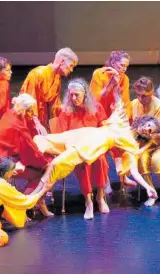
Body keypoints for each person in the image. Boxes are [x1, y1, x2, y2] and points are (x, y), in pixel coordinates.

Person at [31, 105, 159, 201]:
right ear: (144, 121)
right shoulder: (122, 121)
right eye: (148, 125)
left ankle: (33, 197)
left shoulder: (131, 144)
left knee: (57, 163)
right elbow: (116, 96)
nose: (146, 129)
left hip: (92, 145)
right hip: (85, 133)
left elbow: (134, 171)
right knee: (45, 139)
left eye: (149, 131)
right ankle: (26, 165)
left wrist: (147, 187)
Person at [0, 94, 54, 217]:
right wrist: (44, 163)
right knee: (43, 172)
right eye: (29, 111)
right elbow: (29, 150)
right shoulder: (17, 126)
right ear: (23, 110)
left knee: (43, 163)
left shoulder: (10, 113)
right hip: (3, 161)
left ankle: (37, 201)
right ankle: (23, 206)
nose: (32, 113)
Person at [57, 78, 110, 219]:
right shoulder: (66, 112)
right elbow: (63, 135)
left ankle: (100, 196)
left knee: (101, 161)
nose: (73, 98)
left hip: (95, 148)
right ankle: (88, 201)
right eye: (71, 95)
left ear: (85, 94)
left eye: (77, 95)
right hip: (77, 150)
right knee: (84, 165)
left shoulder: (96, 107)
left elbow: (104, 128)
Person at [130, 76, 160, 206]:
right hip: (143, 143)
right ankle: (152, 192)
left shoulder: (158, 105)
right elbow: (132, 128)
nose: (140, 99)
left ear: (152, 93)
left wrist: (141, 137)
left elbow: (157, 134)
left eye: (144, 96)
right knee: (142, 160)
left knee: (157, 160)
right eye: (138, 95)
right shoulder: (133, 104)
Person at [20, 47, 79, 133]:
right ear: (62, 61)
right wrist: (36, 123)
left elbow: (54, 104)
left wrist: (66, 109)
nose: (71, 70)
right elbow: (26, 102)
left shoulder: (57, 77)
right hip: (31, 119)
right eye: (71, 66)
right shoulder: (37, 74)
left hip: (43, 118)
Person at [89, 51, 132, 120]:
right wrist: (110, 84)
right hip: (97, 115)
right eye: (122, 65)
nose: (124, 69)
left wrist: (126, 116)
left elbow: (126, 103)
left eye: (126, 66)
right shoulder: (99, 73)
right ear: (112, 63)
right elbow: (93, 100)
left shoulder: (125, 79)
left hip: (114, 117)